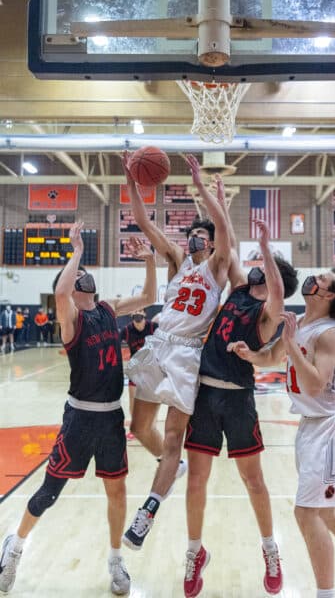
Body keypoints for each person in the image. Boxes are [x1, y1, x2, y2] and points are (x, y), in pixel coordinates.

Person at [0, 221, 157, 595]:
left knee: (117, 492)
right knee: (49, 492)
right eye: (78, 274)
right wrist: (78, 251)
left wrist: (150, 260)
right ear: (72, 287)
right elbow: (59, 291)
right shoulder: (71, 320)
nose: (84, 274)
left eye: (84, 271)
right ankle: (14, 547)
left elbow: (150, 295)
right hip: (80, 418)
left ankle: (115, 560)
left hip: (111, 417)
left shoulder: (108, 308)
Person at [231, 269, 335, 598]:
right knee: (324, 511)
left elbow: (315, 384)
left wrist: (291, 344)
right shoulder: (301, 322)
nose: (314, 278)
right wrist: (250, 355)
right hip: (310, 426)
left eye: (322, 278)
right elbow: (272, 356)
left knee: (306, 512)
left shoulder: (332, 333)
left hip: (331, 428)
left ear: (329, 295)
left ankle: (326, 593)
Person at [183, 218, 298, 597]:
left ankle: (270, 549)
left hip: (237, 399)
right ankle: (194, 552)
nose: (255, 267)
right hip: (204, 395)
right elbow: (227, 245)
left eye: (263, 266)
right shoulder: (238, 290)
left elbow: (277, 294)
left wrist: (266, 248)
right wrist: (214, 196)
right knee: (196, 480)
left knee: (254, 481)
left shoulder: (269, 314)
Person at [121, 153, 231, 552]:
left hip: (187, 354)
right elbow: (143, 221)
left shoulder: (218, 268)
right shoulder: (178, 261)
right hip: (158, 343)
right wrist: (131, 179)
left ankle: (147, 511)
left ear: (212, 242)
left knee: (172, 438)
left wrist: (202, 186)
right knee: (139, 428)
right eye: (193, 234)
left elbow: (224, 228)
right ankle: (174, 469)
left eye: (202, 234)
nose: (195, 237)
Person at [120, 309, 158, 440]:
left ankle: (151, 427)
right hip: (135, 368)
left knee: (151, 400)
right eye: (135, 311)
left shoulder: (153, 327)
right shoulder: (126, 330)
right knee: (133, 399)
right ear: (131, 314)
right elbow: (114, 343)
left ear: (145, 314)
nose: (137, 313)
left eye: (140, 310)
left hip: (151, 369)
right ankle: (135, 429)